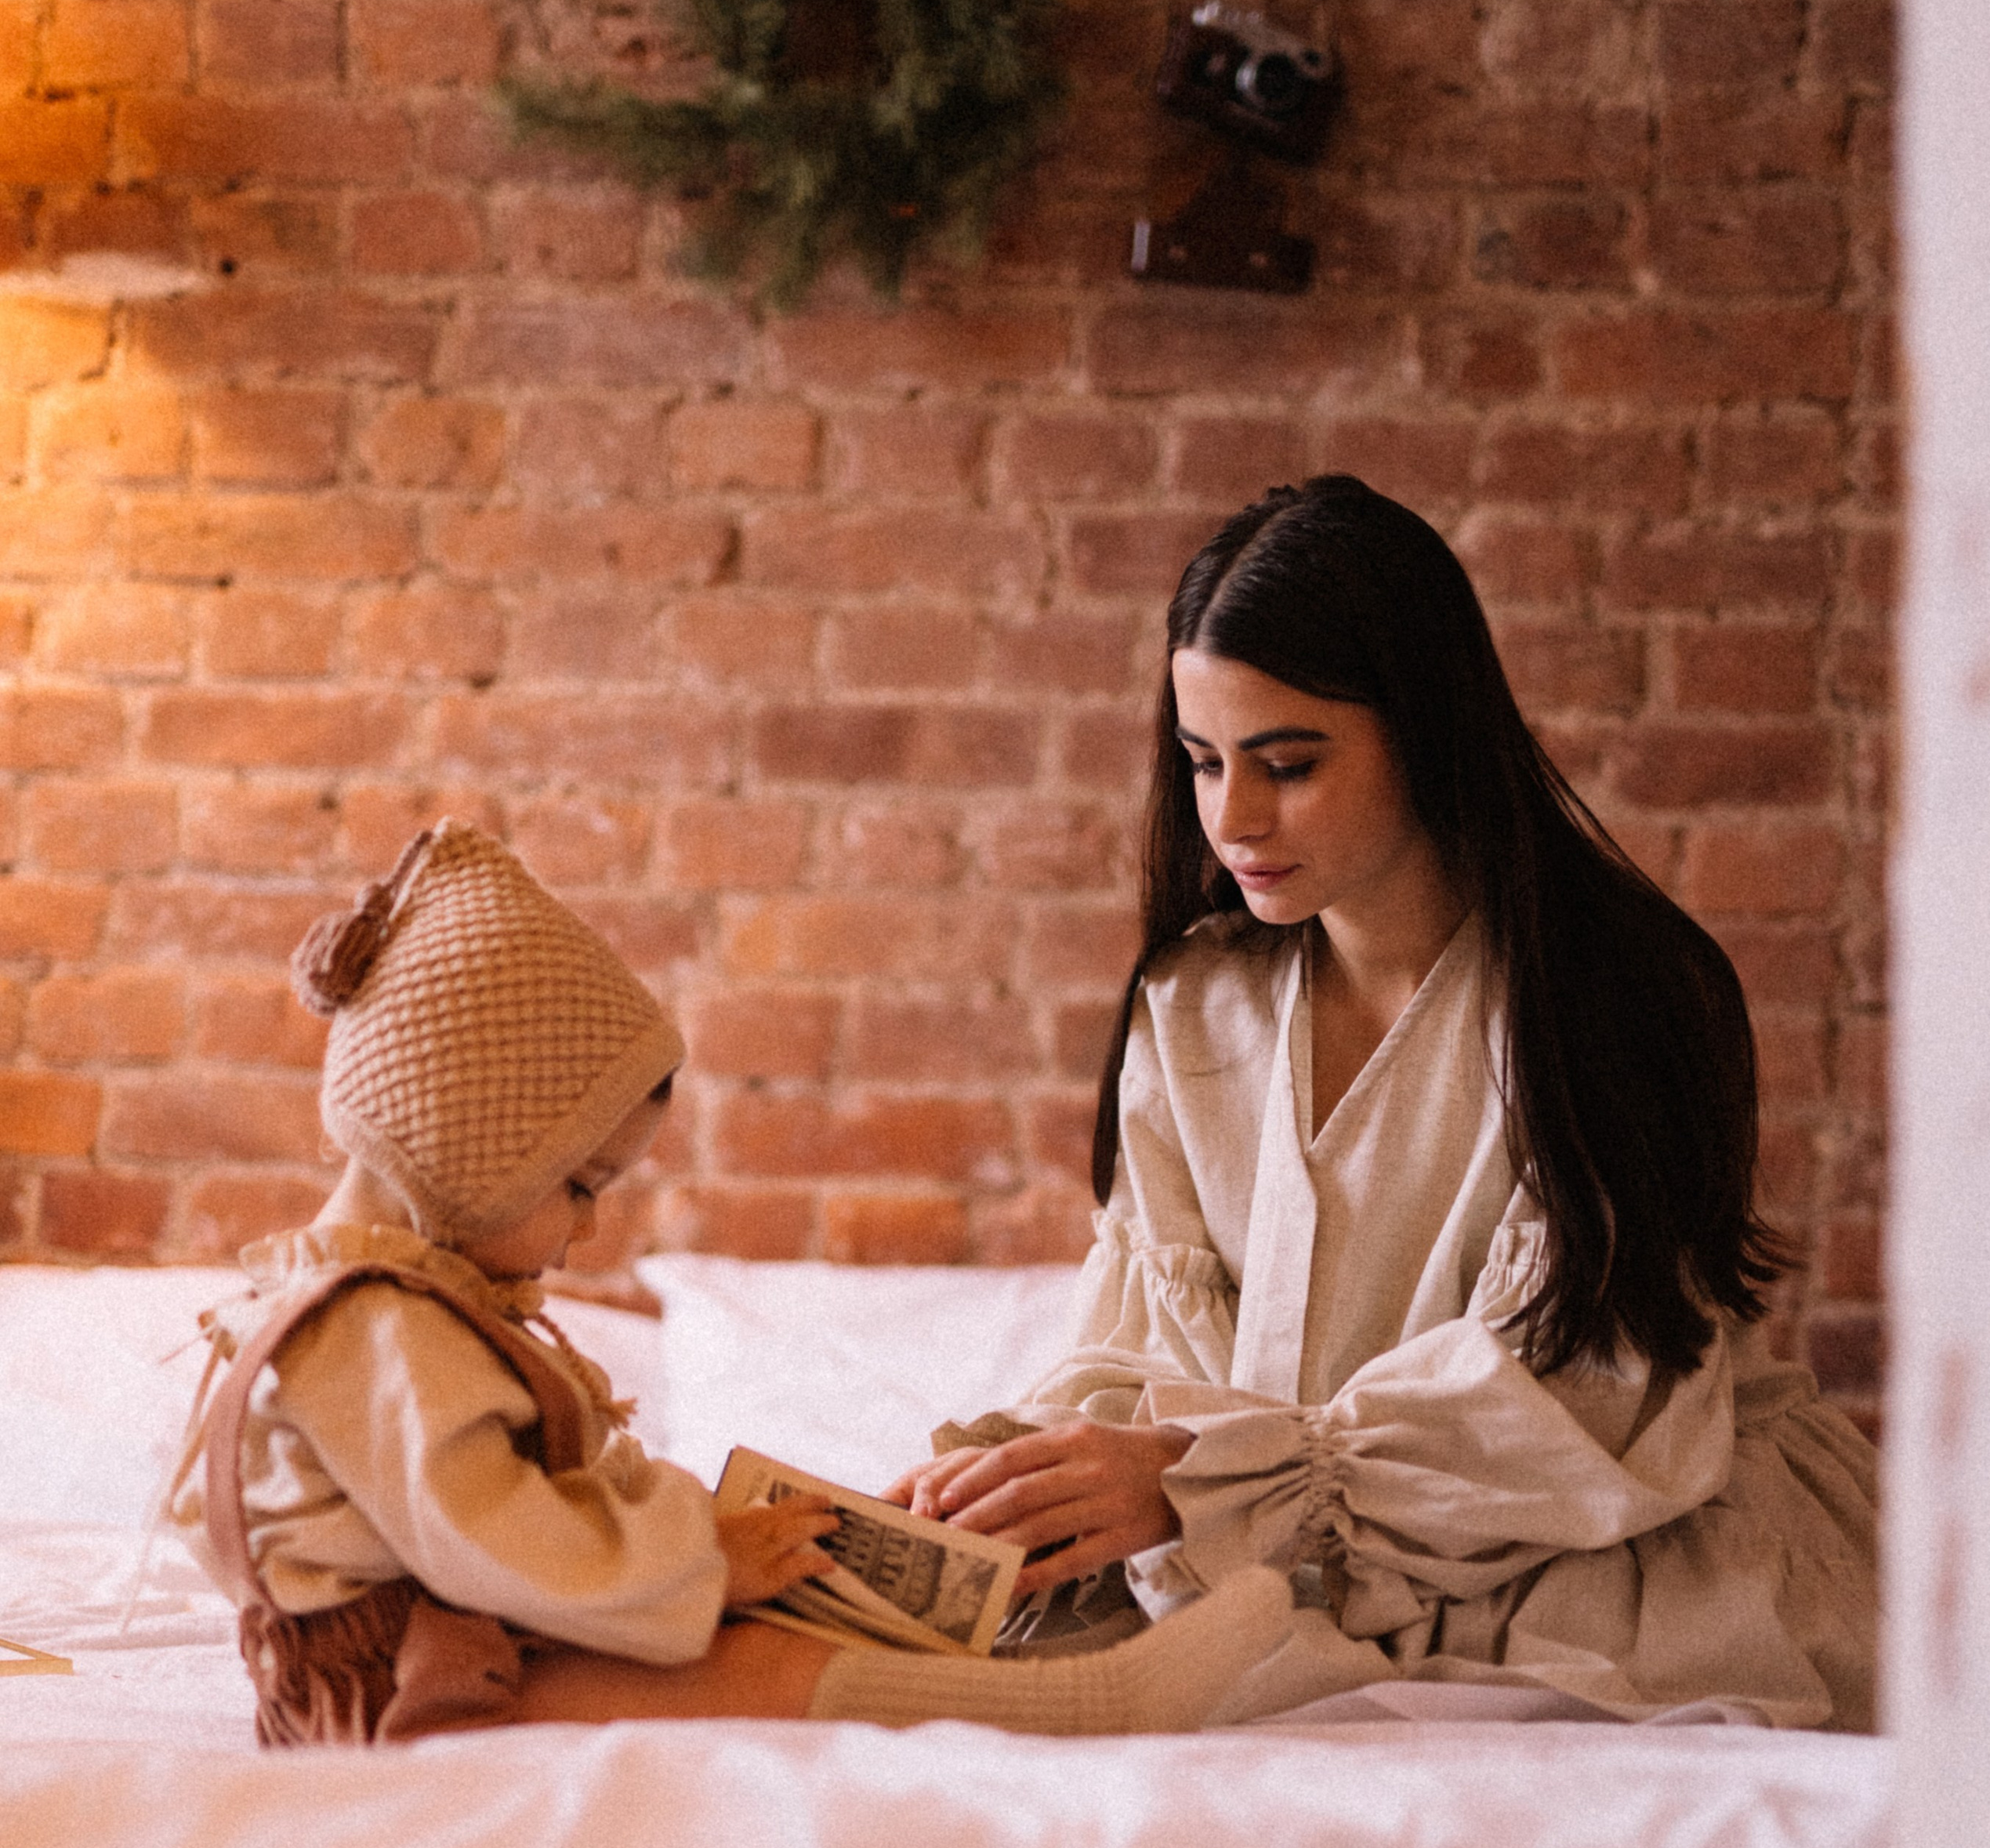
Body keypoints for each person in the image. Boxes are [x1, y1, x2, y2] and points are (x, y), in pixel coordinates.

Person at [897, 476, 1877, 1730]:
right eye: (1203, 763)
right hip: (1279, 1559)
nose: (1234, 817)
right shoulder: (1194, 1004)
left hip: (1627, 1556)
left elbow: (1587, 1402)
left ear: (1425, 727)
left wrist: (1212, 1478)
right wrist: (1012, 1482)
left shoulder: (1619, 996)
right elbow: (1145, 1354)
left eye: (1288, 763)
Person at [170, 821, 1288, 1746]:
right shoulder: (368, 1328)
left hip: (468, 1631)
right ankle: (1090, 1707)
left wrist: (708, 1534)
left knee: (738, 1635)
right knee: (746, 1666)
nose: (588, 1224)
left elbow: (518, 1524)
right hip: (409, 1689)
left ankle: (1012, 1658)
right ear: (468, 1150)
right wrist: (701, 1559)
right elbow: (495, 1537)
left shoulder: (397, 1306)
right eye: (575, 1183)